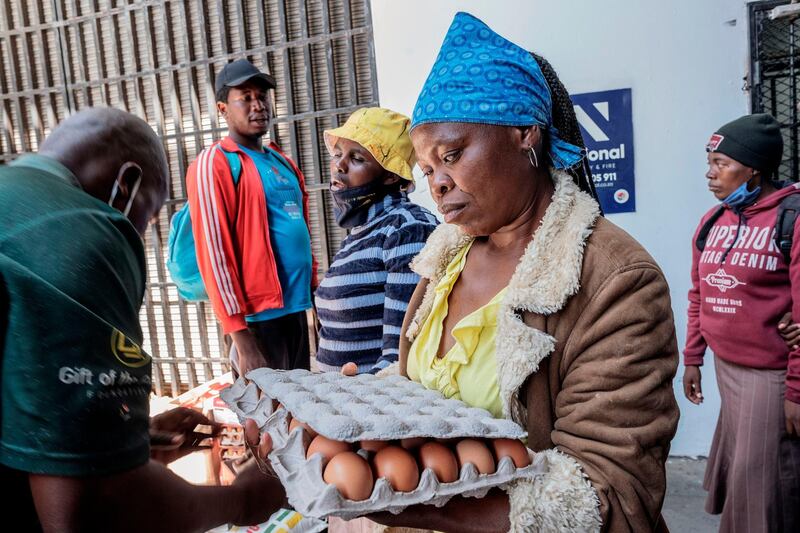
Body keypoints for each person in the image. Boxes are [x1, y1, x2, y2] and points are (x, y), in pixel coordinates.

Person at [358, 12, 679, 532]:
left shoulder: (615, 280)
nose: (438, 184)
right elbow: (438, 393)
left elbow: (611, 493)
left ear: (525, 134)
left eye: (454, 155)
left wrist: (410, 500)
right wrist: (365, 407)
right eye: (428, 170)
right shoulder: (445, 259)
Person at [0, 107, 285, 532]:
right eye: (145, 217)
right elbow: (91, 510)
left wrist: (126, 445)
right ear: (126, 185)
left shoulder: (15, 196)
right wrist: (244, 501)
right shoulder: (80, 228)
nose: (129, 233)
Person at [682, 113, 800, 532]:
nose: (710, 175)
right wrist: (693, 357)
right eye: (709, 162)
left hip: (772, 375)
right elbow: (701, 292)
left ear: (754, 168)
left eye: (721, 164)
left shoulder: (792, 218)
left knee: (763, 479)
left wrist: (796, 390)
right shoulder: (713, 222)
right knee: (751, 473)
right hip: (727, 368)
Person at [186, 59, 318, 377]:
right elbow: (214, 253)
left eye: (262, 96)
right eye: (245, 97)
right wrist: (241, 339)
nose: (258, 105)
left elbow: (301, 231)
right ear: (222, 108)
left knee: (296, 412)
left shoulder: (280, 160)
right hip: (256, 321)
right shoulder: (214, 163)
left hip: (296, 311)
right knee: (262, 419)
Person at [314, 107, 437, 375]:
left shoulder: (407, 228)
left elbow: (398, 359)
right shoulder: (360, 234)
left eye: (356, 158)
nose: (340, 165)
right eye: (337, 154)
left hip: (369, 406)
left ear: (391, 175)